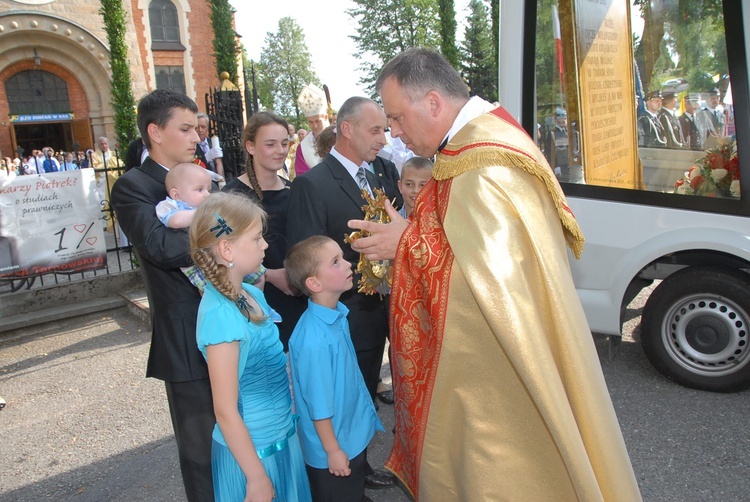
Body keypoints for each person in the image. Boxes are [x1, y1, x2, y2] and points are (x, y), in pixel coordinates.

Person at [347, 47, 641, 501]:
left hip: (499, 380)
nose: (397, 135)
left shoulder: (485, 167)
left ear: (433, 102)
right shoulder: (474, 146)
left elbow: (492, 288)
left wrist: (404, 244)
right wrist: (409, 235)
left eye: (398, 118)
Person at [286, 96, 398, 491]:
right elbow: (305, 255)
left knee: (363, 391)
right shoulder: (312, 185)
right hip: (343, 314)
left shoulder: (382, 171)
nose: (383, 138)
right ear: (345, 129)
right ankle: (346, 472)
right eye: (375, 130)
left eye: (385, 129)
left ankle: (360, 463)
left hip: (381, 307)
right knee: (336, 396)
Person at [110, 89, 215, 502]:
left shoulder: (200, 176)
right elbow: (161, 248)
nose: (197, 138)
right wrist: (223, 228)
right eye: (185, 129)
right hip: (186, 339)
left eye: (197, 129)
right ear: (155, 132)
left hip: (230, 323)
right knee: (203, 451)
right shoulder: (133, 187)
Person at [189, 192, 312, 502]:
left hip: (282, 438)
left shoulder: (249, 293)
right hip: (252, 457)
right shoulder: (220, 317)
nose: (265, 245)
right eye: (257, 238)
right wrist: (257, 478)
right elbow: (226, 410)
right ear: (226, 248)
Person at [285, 235, 385, 502]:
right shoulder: (313, 341)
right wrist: (332, 451)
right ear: (314, 283)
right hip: (334, 446)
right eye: (335, 262)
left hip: (349, 434)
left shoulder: (336, 315)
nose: (348, 265)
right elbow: (318, 405)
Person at [223, 111, 306, 351]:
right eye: (270, 144)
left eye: (284, 143)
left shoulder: (294, 190)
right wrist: (268, 274)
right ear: (250, 146)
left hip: (298, 294)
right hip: (256, 297)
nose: (279, 150)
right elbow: (223, 254)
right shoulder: (231, 196)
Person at [156, 162, 213, 229]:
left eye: (208, 190)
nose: (207, 194)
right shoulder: (171, 206)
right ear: (176, 195)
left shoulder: (208, 207)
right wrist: (202, 213)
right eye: (199, 189)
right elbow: (176, 221)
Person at [294, 84, 330, 176]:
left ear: (326, 117)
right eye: (311, 122)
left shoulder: (339, 137)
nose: (314, 126)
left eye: (318, 121)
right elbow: (302, 176)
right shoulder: (302, 148)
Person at [543, 107, 570, 180]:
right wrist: (554, 167)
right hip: (558, 167)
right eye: (563, 117)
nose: (564, 120)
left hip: (568, 166)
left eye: (565, 118)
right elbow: (548, 152)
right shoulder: (552, 133)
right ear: (557, 120)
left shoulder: (568, 132)